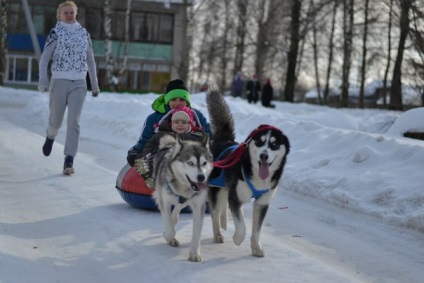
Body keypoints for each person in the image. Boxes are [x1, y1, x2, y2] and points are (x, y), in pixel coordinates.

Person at [38, 1, 100, 175]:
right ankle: (50, 135)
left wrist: (94, 84)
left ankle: (69, 160)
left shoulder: (83, 34)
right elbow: (44, 59)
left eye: (71, 12)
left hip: (79, 83)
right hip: (59, 81)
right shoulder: (55, 33)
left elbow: (91, 60)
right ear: (59, 15)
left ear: (76, 13)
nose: (69, 15)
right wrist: (43, 81)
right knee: (56, 120)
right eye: (65, 13)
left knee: (74, 122)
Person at [127, 79, 211, 166]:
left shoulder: (196, 115)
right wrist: (135, 151)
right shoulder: (154, 118)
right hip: (161, 160)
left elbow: (209, 134)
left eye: (182, 99)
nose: (178, 103)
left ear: (187, 101)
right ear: (167, 100)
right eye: (173, 99)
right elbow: (145, 141)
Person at [134, 106, 208, 188]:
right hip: (160, 158)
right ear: (171, 123)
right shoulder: (161, 134)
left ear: (190, 124)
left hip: (185, 162)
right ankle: (149, 175)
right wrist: (147, 154)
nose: (180, 125)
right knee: (150, 157)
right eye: (176, 122)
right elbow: (150, 144)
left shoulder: (195, 136)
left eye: (183, 122)